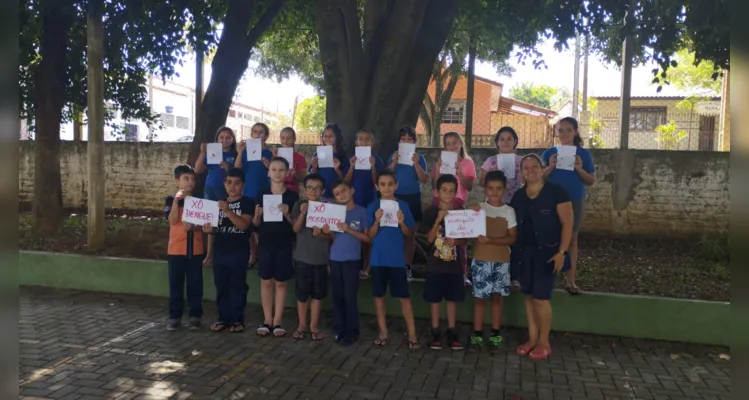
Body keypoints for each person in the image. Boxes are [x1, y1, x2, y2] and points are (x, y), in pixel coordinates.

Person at [511, 154, 573, 361]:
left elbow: (568, 225)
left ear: (542, 168)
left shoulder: (556, 192)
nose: (530, 170)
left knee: (540, 298)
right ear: (521, 172)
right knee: (528, 296)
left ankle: (544, 343)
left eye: (534, 166)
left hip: (548, 254)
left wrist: (562, 252)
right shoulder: (518, 196)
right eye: (526, 167)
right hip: (524, 254)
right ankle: (532, 339)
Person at [541, 117, 596, 295]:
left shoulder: (583, 154)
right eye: (561, 130)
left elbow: (591, 180)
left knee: (572, 240)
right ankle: (547, 278)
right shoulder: (549, 153)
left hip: (574, 200)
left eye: (568, 130)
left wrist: (579, 169)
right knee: (549, 238)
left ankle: (570, 281)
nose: (564, 133)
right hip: (551, 200)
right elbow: (539, 179)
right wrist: (550, 167)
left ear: (576, 132)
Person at [367, 171, 420, 350]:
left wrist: (402, 223)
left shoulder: (403, 206)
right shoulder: (373, 206)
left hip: (397, 260)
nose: (387, 188)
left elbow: (409, 234)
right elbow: (370, 236)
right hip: (378, 259)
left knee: (404, 298)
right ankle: (383, 332)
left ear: (396, 185)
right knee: (378, 297)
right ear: (377, 187)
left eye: (390, 184)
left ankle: (412, 334)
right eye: (382, 184)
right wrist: (376, 221)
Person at [468, 170, 517, 351]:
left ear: (504, 190)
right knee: (480, 298)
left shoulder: (508, 211)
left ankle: (495, 333)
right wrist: (471, 209)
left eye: (498, 188)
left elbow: (512, 238)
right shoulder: (477, 208)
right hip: (480, 260)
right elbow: (467, 229)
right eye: (490, 188)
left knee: (497, 298)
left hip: (501, 262)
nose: (494, 192)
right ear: (485, 189)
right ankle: (478, 333)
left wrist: (491, 241)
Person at [203, 168, 254, 333]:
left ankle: (238, 320)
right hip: (220, 251)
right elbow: (213, 232)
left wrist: (227, 211)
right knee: (221, 285)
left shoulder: (247, 203)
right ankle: (223, 318)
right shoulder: (217, 204)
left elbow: (244, 225)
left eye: (237, 183)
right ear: (224, 184)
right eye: (229, 182)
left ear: (243, 185)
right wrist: (208, 232)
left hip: (239, 251)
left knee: (237, 286)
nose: (233, 187)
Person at [252, 157, 299, 338]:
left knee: (280, 283)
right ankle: (267, 320)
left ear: (287, 173)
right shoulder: (261, 194)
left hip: (284, 244)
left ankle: (278, 320)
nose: (277, 173)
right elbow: (255, 225)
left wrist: (287, 214)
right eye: (274, 169)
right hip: (266, 244)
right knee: (266, 281)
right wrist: (257, 216)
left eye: (281, 170)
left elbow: (296, 226)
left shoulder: (292, 196)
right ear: (268, 172)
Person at [420, 174, 466, 351]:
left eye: (451, 191)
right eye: (444, 190)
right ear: (437, 191)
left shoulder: (460, 212)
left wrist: (457, 242)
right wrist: (439, 219)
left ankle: (452, 331)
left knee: (452, 299)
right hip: (435, 266)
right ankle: (435, 331)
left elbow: (464, 239)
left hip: (454, 266)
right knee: (435, 299)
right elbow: (429, 239)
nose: (448, 194)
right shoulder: (431, 212)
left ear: (456, 192)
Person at [479, 126, 523, 290]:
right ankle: (489, 271)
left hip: (515, 204)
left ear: (515, 142)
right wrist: (493, 174)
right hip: (494, 206)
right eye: (502, 139)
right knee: (492, 237)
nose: (505, 142)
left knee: (514, 240)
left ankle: (514, 276)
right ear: (496, 142)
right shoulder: (490, 161)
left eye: (509, 138)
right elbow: (481, 182)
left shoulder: (521, 161)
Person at [431, 131, 475, 286]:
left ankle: (462, 273)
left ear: (461, 143)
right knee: (440, 237)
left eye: (455, 142)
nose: (452, 146)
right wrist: (437, 170)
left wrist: (460, 173)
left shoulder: (468, 163)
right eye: (448, 143)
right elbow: (433, 185)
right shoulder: (441, 162)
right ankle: (437, 269)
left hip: (457, 204)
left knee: (459, 240)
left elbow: (469, 186)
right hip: (439, 203)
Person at [329, 179, 370, 346]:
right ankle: (339, 328)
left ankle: (352, 331)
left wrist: (349, 230)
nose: (341, 195)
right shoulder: (334, 212)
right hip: (334, 259)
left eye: (344, 191)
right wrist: (324, 231)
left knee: (349, 296)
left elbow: (367, 238)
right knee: (337, 296)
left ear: (352, 190)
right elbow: (331, 237)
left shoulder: (361, 212)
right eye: (337, 194)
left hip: (352, 260)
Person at [164, 165, 205, 331]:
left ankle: (195, 316)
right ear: (177, 181)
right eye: (186, 179)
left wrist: (194, 227)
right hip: (176, 250)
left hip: (195, 249)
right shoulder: (170, 199)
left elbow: (205, 225)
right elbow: (172, 220)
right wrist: (176, 201)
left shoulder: (199, 200)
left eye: (192, 179)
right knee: (176, 285)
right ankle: (175, 317)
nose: (190, 182)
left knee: (195, 284)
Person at [291, 173, 331, 341]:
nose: (313, 191)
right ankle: (301, 325)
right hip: (302, 258)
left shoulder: (329, 207)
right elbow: (295, 229)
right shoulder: (299, 204)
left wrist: (322, 233)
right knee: (302, 294)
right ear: (304, 189)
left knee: (317, 294)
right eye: (310, 187)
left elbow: (331, 235)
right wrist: (302, 214)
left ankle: (314, 326)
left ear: (323, 190)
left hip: (321, 259)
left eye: (317, 188)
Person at [387, 126, 429, 281]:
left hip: (412, 198)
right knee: (393, 232)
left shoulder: (420, 158)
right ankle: (393, 265)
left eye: (409, 139)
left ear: (415, 141)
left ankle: (407, 266)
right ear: (399, 141)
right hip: (394, 197)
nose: (406, 141)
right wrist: (393, 163)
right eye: (403, 138)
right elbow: (386, 175)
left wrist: (416, 164)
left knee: (410, 234)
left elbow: (424, 179)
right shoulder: (393, 156)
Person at [195, 126, 238, 268]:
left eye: (228, 137)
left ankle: (226, 253)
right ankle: (209, 256)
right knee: (211, 224)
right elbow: (198, 170)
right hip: (210, 191)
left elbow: (238, 174)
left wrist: (227, 168)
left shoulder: (235, 154)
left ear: (232, 140)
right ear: (217, 139)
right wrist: (202, 152)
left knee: (227, 222)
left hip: (226, 193)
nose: (224, 140)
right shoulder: (212, 153)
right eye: (221, 137)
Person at [344, 129, 384, 280]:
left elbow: (377, 183)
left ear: (372, 143)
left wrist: (373, 167)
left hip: (370, 201)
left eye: (367, 139)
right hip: (354, 202)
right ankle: (355, 265)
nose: (364, 142)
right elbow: (346, 182)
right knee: (354, 233)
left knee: (368, 236)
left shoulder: (377, 160)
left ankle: (367, 267)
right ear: (356, 142)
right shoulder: (352, 159)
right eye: (361, 139)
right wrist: (351, 166)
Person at [236, 122, 274, 269]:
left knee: (262, 227)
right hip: (248, 193)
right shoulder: (245, 152)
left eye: (261, 133)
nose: (257, 135)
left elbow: (275, 173)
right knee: (250, 228)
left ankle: (263, 255)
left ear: (266, 136)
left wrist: (268, 164)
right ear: (251, 134)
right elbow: (237, 170)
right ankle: (253, 256)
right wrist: (240, 152)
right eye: (255, 132)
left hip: (264, 193)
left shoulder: (269, 154)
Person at [309, 123, 349, 201]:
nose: (328, 138)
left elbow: (346, 180)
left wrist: (337, 169)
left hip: (338, 194)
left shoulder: (342, 155)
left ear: (337, 137)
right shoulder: (317, 154)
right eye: (325, 136)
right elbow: (312, 176)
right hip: (320, 193)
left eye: (331, 136)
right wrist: (314, 167)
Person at [274, 126, 307, 193]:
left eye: (289, 138)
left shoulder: (300, 157)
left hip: (293, 191)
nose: (285, 141)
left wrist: (295, 173)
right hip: (277, 190)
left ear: (294, 139)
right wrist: (275, 158)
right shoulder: (275, 155)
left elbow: (304, 179)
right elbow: (271, 174)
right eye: (283, 138)